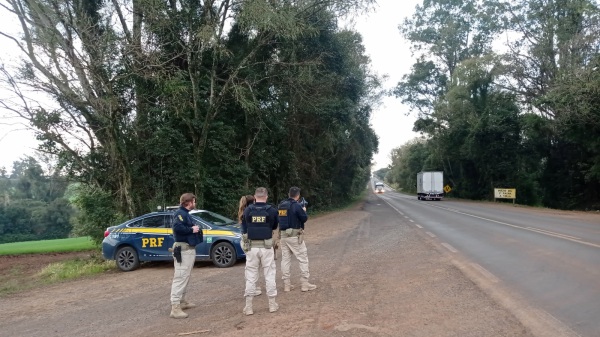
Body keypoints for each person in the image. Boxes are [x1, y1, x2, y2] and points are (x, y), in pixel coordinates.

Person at [241, 187, 279, 315]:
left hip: (252, 247)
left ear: (255, 196)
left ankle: (249, 307)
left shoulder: (247, 210)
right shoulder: (272, 211)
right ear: (266, 197)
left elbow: (244, 227)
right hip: (267, 247)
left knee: (251, 276)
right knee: (269, 274)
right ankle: (272, 305)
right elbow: (274, 225)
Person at [169, 193, 203, 319]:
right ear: (188, 202)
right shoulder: (180, 214)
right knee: (180, 276)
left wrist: (194, 228)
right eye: (194, 201)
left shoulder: (185, 214)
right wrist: (191, 230)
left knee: (185, 276)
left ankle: (182, 301)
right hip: (183, 249)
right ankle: (175, 308)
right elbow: (177, 228)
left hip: (187, 249)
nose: (195, 203)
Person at [278, 186, 316, 292]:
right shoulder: (296, 206)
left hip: (283, 236)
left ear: (289, 194)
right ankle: (305, 284)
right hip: (294, 236)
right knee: (303, 259)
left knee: (285, 260)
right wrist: (304, 210)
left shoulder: (281, 205)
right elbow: (304, 219)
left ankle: (287, 285)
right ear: (298, 196)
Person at [238, 194, 263, 296]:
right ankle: (250, 289)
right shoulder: (250, 213)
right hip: (248, 240)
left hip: (244, 240)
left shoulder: (243, 212)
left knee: (252, 264)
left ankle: (252, 286)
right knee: (252, 265)